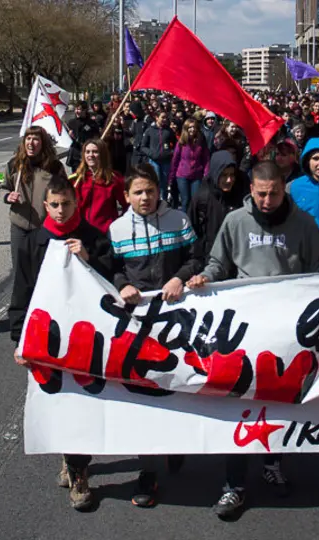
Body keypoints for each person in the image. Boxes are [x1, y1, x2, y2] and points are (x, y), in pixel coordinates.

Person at [187, 162, 319, 520]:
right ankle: (233, 484)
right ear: (251, 189)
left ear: (285, 189)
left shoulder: (304, 223)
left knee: (280, 402)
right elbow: (219, 263)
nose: (267, 200)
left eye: (275, 193)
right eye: (261, 193)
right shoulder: (236, 221)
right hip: (246, 329)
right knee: (240, 404)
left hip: (287, 331)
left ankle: (272, 462)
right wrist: (205, 276)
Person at [12, 177, 112, 512]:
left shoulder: (94, 238)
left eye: (65, 204)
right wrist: (19, 339)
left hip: (85, 337)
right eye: (53, 205)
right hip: (48, 338)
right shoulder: (35, 241)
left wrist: (89, 260)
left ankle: (79, 472)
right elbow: (22, 291)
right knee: (58, 399)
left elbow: (111, 284)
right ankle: (71, 460)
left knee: (81, 401)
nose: (59, 211)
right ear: (45, 206)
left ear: (76, 203)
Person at [108, 165, 199, 508]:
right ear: (126, 196)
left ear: (159, 191)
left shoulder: (179, 220)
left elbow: (196, 258)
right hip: (138, 327)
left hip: (177, 322)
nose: (145, 198)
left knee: (177, 386)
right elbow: (111, 268)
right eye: (137, 192)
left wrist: (180, 276)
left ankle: (175, 443)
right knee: (143, 397)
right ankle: (147, 471)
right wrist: (122, 285)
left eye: (150, 191)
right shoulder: (116, 230)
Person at [3, 126, 68, 343]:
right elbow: (2, 185)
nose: (31, 143)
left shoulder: (54, 166)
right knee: (21, 274)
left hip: (45, 228)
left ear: (43, 143)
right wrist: (7, 196)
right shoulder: (15, 164)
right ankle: (24, 318)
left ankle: (48, 314)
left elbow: (64, 192)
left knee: (45, 273)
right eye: (28, 139)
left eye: (36, 139)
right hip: (20, 226)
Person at [188, 151, 247, 267]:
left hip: (236, 259)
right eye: (224, 175)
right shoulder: (202, 198)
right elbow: (193, 231)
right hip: (210, 261)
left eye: (232, 175)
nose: (229, 180)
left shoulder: (241, 196)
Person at [72, 139, 127, 233]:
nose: (90, 155)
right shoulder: (77, 179)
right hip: (82, 232)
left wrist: (117, 224)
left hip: (105, 232)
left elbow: (127, 204)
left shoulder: (113, 179)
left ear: (103, 154)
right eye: (87, 152)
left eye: (95, 152)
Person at [170, 117, 210, 212]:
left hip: (197, 175)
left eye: (194, 127)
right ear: (186, 129)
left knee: (195, 200)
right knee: (185, 200)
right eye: (190, 127)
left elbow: (206, 159)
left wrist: (206, 173)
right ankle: (185, 221)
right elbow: (175, 160)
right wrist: (171, 177)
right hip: (182, 175)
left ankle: (194, 221)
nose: (192, 129)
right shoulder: (181, 143)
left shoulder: (201, 142)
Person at [140, 111, 177, 206]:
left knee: (164, 183)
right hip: (154, 161)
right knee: (155, 181)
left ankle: (163, 202)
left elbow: (176, 145)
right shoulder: (150, 130)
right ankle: (154, 201)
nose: (164, 120)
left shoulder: (168, 131)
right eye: (162, 117)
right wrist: (151, 153)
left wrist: (171, 152)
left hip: (166, 161)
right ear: (157, 117)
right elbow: (143, 146)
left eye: (166, 118)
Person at [66, 102, 100, 172]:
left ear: (85, 110)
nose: (76, 111)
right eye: (75, 109)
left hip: (88, 154)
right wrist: (69, 135)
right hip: (75, 155)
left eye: (79, 109)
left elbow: (97, 137)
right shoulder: (71, 122)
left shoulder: (92, 123)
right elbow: (65, 139)